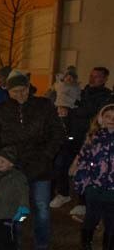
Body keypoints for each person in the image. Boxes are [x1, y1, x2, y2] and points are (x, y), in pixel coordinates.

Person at [0, 71, 65, 250]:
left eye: (23, 90)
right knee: (13, 209)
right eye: (15, 91)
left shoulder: (44, 106)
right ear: (8, 91)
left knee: (41, 208)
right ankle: (13, 247)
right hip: (12, 168)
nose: (20, 95)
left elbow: (57, 133)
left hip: (40, 166)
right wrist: (2, 157)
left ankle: (41, 249)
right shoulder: (0, 110)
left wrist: (46, 155)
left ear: (29, 88)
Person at [66, 66, 114, 219]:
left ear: (105, 79)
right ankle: (78, 199)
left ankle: (87, 205)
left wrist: (73, 111)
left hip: (92, 136)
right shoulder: (82, 91)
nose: (93, 79)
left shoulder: (106, 96)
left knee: (96, 171)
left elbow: (91, 111)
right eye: (91, 75)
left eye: (97, 76)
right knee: (77, 168)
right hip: (76, 134)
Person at [72, 104, 114, 250]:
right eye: (108, 117)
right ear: (101, 119)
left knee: (111, 221)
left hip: (112, 188)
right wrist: (83, 184)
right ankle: (85, 246)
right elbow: (83, 161)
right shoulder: (93, 138)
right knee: (92, 217)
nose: (112, 120)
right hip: (95, 187)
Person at [48, 67, 82, 209]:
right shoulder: (56, 94)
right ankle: (53, 192)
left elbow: (74, 129)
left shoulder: (76, 100)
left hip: (68, 141)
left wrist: (69, 139)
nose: (69, 80)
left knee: (61, 165)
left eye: (71, 78)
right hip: (57, 140)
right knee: (53, 166)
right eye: (67, 77)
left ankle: (64, 193)